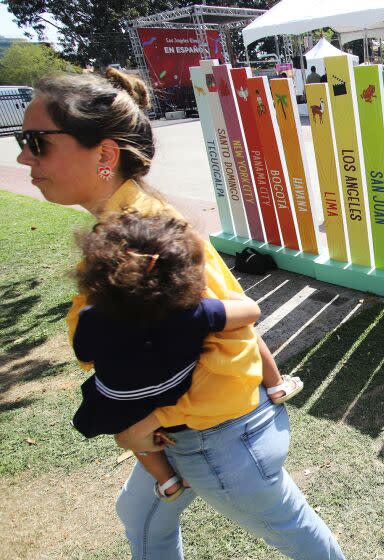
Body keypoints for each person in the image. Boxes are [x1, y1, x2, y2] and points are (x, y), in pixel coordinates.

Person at [15, 69, 345, 559]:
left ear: (105, 154)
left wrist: (150, 422)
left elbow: (226, 341)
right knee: (140, 516)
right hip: (205, 437)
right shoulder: (135, 225)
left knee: (295, 533)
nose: (23, 156)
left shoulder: (142, 238)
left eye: (37, 142)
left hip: (216, 441)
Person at [71, 212, 304, 502]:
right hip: (175, 396)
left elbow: (84, 355)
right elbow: (251, 312)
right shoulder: (193, 312)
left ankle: (167, 482)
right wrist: (225, 296)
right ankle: (277, 384)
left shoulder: (91, 317)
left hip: (120, 403)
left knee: (130, 433)